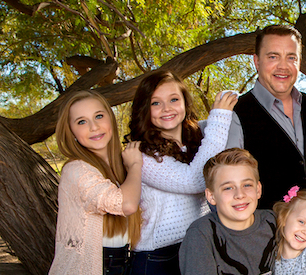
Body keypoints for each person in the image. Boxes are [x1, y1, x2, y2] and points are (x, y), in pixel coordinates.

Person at [205, 25, 306, 209]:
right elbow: (224, 188)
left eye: (291, 57)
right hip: (264, 232)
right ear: (257, 61)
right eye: (273, 56)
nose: (283, 66)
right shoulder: (237, 113)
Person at [125, 71, 237, 275]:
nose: (166, 108)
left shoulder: (197, 141)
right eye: (155, 103)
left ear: (185, 103)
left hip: (197, 247)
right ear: (145, 109)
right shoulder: (142, 155)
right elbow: (194, 180)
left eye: (174, 99)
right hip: (158, 257)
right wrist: (220, 117)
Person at [49, 91, 143, 275]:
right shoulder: (76, 170)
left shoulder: (120, 166)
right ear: (71, 131)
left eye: (99, 116)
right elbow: (127, 204)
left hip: (123, 264)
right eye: (81, 122)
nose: (94, 127)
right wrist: (135, 165)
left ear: (111, 119)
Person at [179, 148, 276, 275]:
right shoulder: (201, 234)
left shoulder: (274, 222)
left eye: (247, 185)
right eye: (228, 188)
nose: (240, 195)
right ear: (211, 196)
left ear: (258, 189)